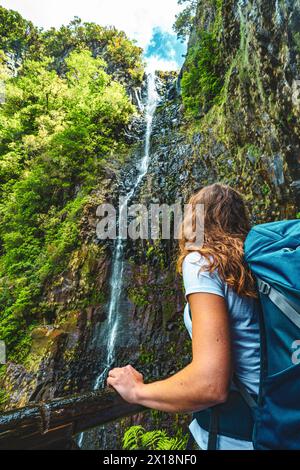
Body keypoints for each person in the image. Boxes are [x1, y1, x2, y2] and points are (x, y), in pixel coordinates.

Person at [107, 183, 261, 450]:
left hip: (234, 435)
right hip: (276, 420)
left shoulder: (203, 262)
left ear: (196, 219)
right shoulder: (255, 264)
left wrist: (137, 391)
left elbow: (210, 385)